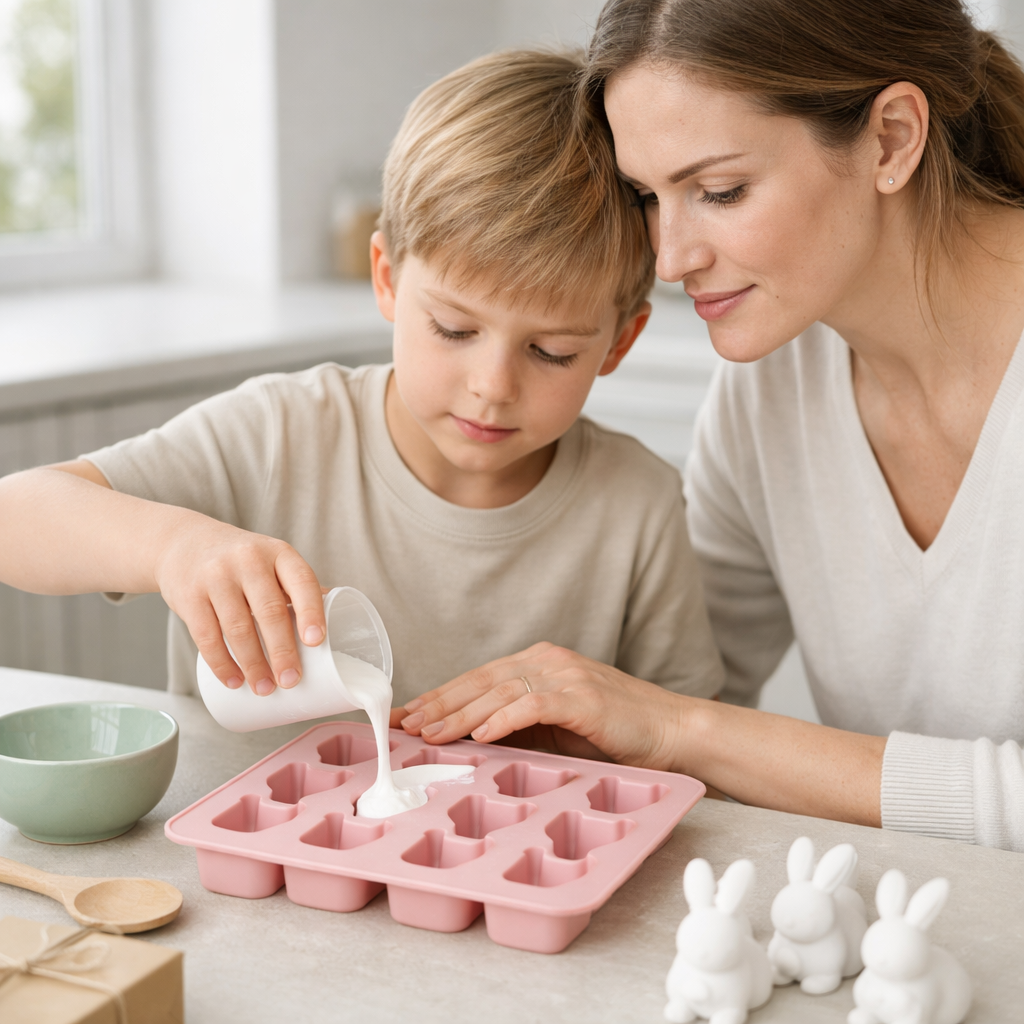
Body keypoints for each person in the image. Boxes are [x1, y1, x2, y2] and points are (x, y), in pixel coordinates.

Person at [397, 0, 1024, 852]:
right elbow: (688, 680)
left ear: (891, 139)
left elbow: (684, 720)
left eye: (720, 191)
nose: (669, 259)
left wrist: (679, 728)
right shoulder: (769, 391)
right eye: (650, 197)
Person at [0, 50, 724, 714]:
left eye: (552, 352)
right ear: (386, 278)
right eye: (453, 329)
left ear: (619, 342)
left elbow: (679, 740)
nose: (493, 385)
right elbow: (16, 514)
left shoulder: (638, 507)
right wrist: (173, 547)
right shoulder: (280, 435)